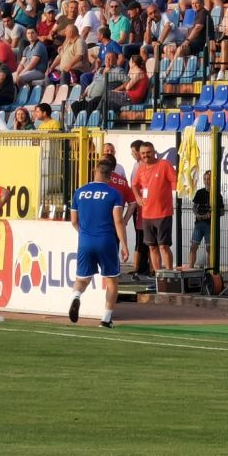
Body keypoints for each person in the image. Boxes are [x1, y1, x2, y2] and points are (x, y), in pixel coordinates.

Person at [68, 158, 130, 328]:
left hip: (85, 241)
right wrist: (124, 244)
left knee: (82, 279)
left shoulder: (79, 192)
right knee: (112, 281)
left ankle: (76, 296)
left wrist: (85, 233)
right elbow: (118, 221)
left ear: (95, 171)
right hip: (106, 241)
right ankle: (106, 319)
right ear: (110, 176)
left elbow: (74, 221)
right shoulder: (114, 194)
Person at [131, 141, 177, 274]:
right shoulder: (140, 169)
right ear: (140, 154)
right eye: (143, 153)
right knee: (152, 247)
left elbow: (175, 180)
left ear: (154, 152)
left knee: (163, 246)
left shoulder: (164, 164)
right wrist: (138, 198)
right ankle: (158, 276)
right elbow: (134, 185)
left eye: (148, 153)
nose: (146, 156)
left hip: (163, 213)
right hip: (146, 215)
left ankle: (169, 275)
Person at [189, 170, 223, 269]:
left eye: (209, 179)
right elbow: (194, 207)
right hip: (199, 225)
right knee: (193, 246)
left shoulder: (217, 194)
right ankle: (190, 269)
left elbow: (222, 211)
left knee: (209, 248)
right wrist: (197, 214)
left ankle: (209, 270)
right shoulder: (200, 192)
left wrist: (212, 215)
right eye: (205, 179)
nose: (207, 181)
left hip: (210, 226)